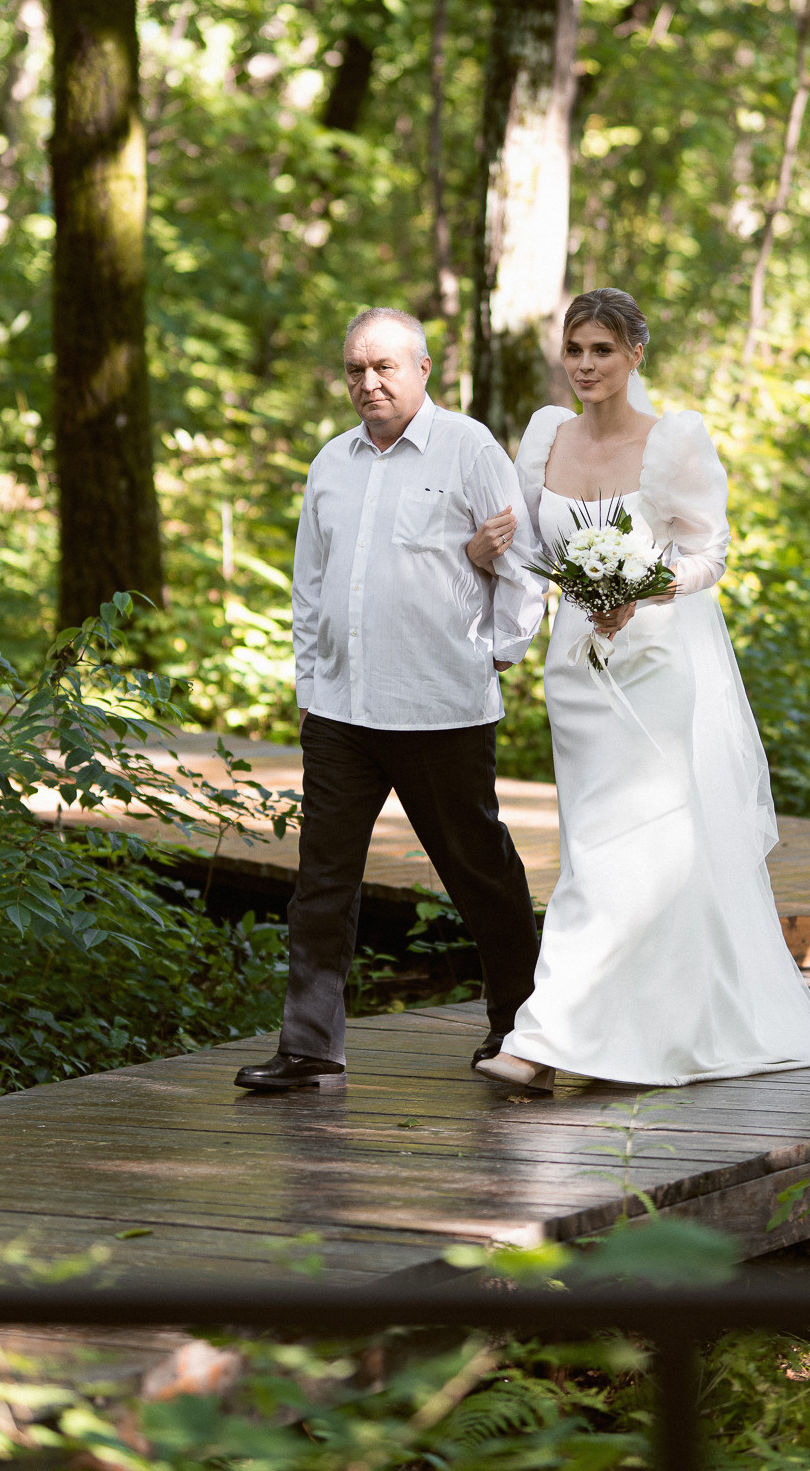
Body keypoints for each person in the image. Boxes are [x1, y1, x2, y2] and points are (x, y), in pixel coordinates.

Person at [468, 288, 810, 1091]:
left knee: (636, 847)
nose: (585, 366)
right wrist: (489, 551)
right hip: (576, 667)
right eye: (575, 350)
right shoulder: (545, 436)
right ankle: (624, 1030)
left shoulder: (672, 441)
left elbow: (711, 553)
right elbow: (529, 549)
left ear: (636, 354)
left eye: (602, 350)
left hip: (653, 664)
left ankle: (542, 1044)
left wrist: (643, 586)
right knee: (593, 846)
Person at [235, 307, 545, 1091]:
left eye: (384, 367)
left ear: (423, 369)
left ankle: (522, 1026)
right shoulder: (330, 463)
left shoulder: (468, 447)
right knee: (322, 882)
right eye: (354, 370)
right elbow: (310, 585)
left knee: (479, 872)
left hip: (442, 709)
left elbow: (524, 566)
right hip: (342, 712)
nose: (367, 383)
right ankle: (310, 1048)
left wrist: (498, 653)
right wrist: (309, 686)